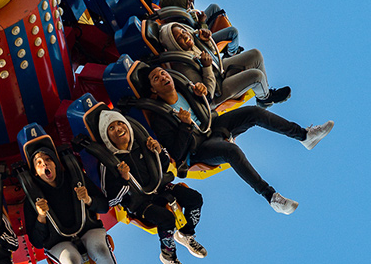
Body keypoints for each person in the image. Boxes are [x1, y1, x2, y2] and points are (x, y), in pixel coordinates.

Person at [143, 66, 334, 214]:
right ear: (153, 89)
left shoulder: (186, 89)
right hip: (199, 147)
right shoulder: (160, 117)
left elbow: (209, 101)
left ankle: (304, 135)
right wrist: (185, 126)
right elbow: (176, 153)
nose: (163, 77)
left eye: (163, 73)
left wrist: (200, 93)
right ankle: (271, 197)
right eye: (156, 78)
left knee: (254, 112)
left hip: (215, 125)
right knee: (231, 152)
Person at [23, 145, 139, 264]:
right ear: (36, 173)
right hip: (58, 242)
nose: (45, 164)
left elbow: (102, 206)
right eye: (39, 163)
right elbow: (37, 241)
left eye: (48, 160)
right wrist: (41, 217)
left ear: (55, 164)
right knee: (72, 260)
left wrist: (88, 200)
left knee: (100, 249)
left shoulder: (75, 180)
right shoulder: (32, 198)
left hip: (88, 229)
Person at [97, 110, 205, 264]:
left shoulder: (141, 145)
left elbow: (163, 166)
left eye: (120, 123)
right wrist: (124, 180)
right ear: (107, 136)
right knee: (166, 219)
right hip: (139, 203)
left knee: (195, 198)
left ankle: (186, 233)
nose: (118, 128)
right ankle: (168, 256)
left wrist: (159, 151)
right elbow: (111, 200)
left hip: (161, 187)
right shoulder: (109, 163)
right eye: (111, 127)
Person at [158, 22, 291, 108]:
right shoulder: (183, 65)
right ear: (174, 44)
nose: (185, 35)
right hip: (217, 90)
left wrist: (207, 42)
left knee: (255, 55)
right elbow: (207, 97)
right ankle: (264, 99)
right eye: (179, 37)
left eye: (183, 31)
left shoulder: (194, 43)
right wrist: (207, 67)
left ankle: (266, 90)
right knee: (257, 76)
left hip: (219, 69)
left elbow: (213, 56)